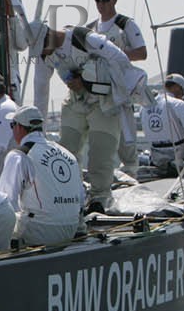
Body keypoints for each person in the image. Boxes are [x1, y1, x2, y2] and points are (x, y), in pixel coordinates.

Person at [36, 25, 133, 211]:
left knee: (100, 154)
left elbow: (120, 59)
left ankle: (100, 197)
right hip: (76, 101)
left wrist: (89, 79)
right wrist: (38, 129)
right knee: (66, 151)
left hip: (103, 102)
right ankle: (71, 195)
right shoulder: (44, 54)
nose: (42, 53)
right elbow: (41, 89)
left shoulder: (83, 38)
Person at [0, 105, 83, 247]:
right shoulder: (68, 154)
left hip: (40, 231)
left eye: (12, 125)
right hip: (71, 229)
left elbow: (5, 202)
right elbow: (81, 199)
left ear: (19, 127)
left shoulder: (19, 155)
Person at [86, 0, 151, 167]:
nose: (101, 4)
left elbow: (142, 52)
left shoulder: (125, 24)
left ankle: (131, 171)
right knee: (100, 140)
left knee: (126, 140)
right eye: (97, 0)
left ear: (114, 1)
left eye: (105, 0)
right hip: (98, 91)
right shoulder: (90, 28)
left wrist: (114, 54)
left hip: (120, 89)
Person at [143, 73, 184, 176]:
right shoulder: (178, 104)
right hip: (179, 155)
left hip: (157, 157)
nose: (182, 97)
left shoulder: (144, 107)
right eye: (182, 92)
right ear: (177, 87)